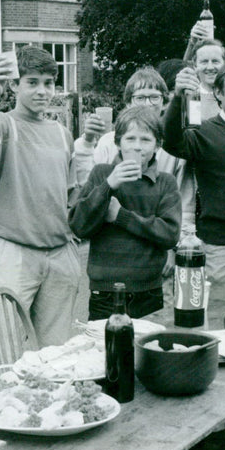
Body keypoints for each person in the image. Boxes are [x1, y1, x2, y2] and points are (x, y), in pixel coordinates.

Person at [0, 46, 80, 347]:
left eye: (48, 82)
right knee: (7, 352)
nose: (42, 91)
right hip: (14, 252)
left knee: (55, 355)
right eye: (32, 82)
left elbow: (72, 195)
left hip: (60, 254)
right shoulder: (2, 124)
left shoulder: (62, 133)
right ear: (14, 84)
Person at [163, 60, 225, 303]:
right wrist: (178, 99)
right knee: (220, 321)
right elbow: (172, 140)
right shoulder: (204, 131)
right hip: (221, 251)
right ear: (218, 93)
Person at [69, 106, 180, 320]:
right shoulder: (102, 173)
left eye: (146, 140)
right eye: (130, 139)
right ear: (118, 142)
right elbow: (78, 225)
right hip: (106, 292)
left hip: (148, 291)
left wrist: (121, 216)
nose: (137, 147)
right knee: (106, 350)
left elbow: (170, 234)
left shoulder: (166, 183)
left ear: (158, 144)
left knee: (146, 351)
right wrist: (108, 185)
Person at [183, 32, 225, 121]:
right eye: (204, 62)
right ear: (195, 65)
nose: (210, 67)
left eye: (215, 61)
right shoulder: (191, 97)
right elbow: (191, 131)